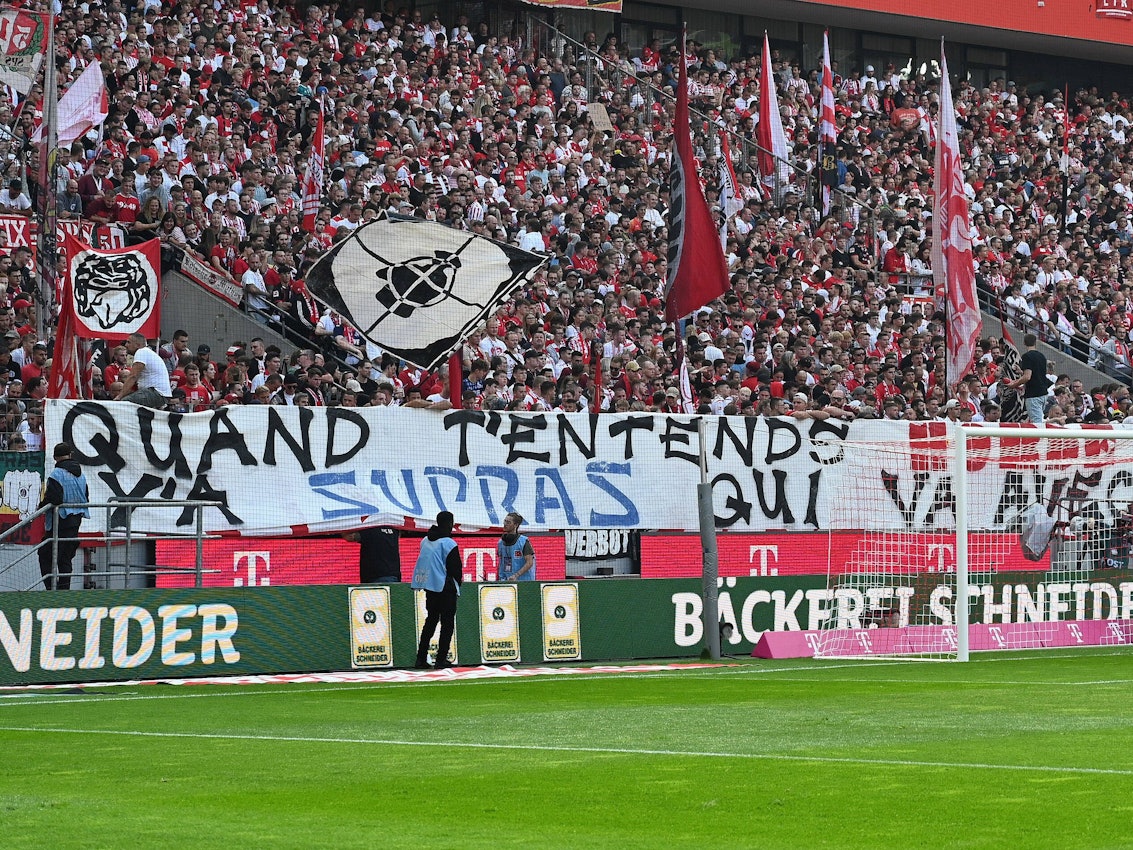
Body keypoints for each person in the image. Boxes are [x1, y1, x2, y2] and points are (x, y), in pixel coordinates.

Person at [411, 510, 462, 669]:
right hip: (446, 588)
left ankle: (421, 658)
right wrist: (458, 584)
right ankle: (441, 659)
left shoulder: (425, 540)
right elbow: (455, 568)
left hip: (430, 587)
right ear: (450, 524)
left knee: (431, 621)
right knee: (447, 624)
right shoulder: (449, 543)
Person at [37, 442, 90, 591]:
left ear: (55, 457)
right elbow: (86, 496)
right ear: (70, 455)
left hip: (60, 521)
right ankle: (64, 590)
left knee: (45, 555)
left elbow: (55, 499)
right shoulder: (81, 475)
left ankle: (51, 589)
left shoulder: (56, 474)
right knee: (65, 558)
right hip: (76, 521)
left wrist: (41, 506)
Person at [115, 332, 173, 409]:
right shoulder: (147, 352)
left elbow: (133, 376)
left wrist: (119, 396)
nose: (126, 345)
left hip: (156, 393)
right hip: (159, 394)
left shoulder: (141, 352)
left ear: (138, 345)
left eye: (129, 342)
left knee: (123, 404)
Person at [1006, 334, 1049, 425]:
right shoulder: (1042, 356)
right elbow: (1036, 374)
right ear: (1035, 342)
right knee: (1040, 419)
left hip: (1033, 394)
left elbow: (1027, 377)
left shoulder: (1027, 356)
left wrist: (1013, 385)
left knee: (1036, 423)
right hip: (1043, 393)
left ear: (1024, 343)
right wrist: (1021, 372)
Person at [497, 511, 536, 581]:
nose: (505, 524)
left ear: (516, 525)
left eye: (508, 522)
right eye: (505, 521)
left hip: (523, 582)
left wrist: (516, 575)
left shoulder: (523, 541)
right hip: (506, 581)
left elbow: (530, 562)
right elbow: (501, 563)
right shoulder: (500, 543)